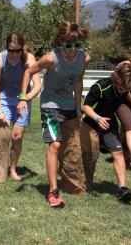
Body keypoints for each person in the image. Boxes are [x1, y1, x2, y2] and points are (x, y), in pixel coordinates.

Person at [18, 22, 90, 207]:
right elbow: (29, 71)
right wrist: (22, 97)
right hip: (51, 107)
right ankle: (53, 192)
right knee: (55, 146)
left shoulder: (84, 58)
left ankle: (71, 181)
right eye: (68, 45)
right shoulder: (51, 58)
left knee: (73, 147)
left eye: (76, 45)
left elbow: (78, 82)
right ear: (61, 43)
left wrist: (77, 109)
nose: (72, 49)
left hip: (70, 108)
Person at [81, 62, 131, 203]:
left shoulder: (125, 90)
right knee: (91, 155)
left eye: (127, 88)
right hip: (90, 123)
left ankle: (122, 188)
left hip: (109, 124)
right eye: (123, 87)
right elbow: (85, 107)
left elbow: (127, 95)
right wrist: (97, 118)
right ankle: (86, 182)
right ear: (117, 79)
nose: (124, 91)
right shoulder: (100, 87)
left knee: (118, 152)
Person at [0, 33, 41, 181]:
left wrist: (25, 99)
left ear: (22, 49)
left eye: (17, 50)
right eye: (10, 50)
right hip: (4, 99)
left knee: (17, 136)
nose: (13, 54)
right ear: (6, 48)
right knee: (2, 135)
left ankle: (13, 168)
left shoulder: (29, 58)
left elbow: (38, 85)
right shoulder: (0, 58)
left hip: (23, 99)